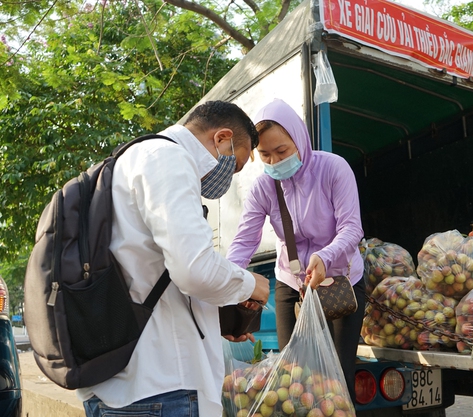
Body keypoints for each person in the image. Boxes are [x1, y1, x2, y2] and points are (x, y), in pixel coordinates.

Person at [78, 101, 271, 417]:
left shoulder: (129, 161)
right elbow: (194, 269)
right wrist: (252, 284)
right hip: (161, 388)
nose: (230, 177)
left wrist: (217, 318)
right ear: (222, 138)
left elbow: (149, 272)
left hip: (125, 381)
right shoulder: (170, 159)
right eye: (235, 166)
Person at [226, 98, 366, 402]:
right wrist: (223, 283)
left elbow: (352, 229)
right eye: (265, 155)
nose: (275, 162)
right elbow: (244, 242)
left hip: (340, 283)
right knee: (295, 378)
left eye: (282, 151)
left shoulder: (333, 169)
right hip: (293, 286)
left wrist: (325, 257)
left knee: (337, 378)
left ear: (299, 139)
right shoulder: (262, 188)